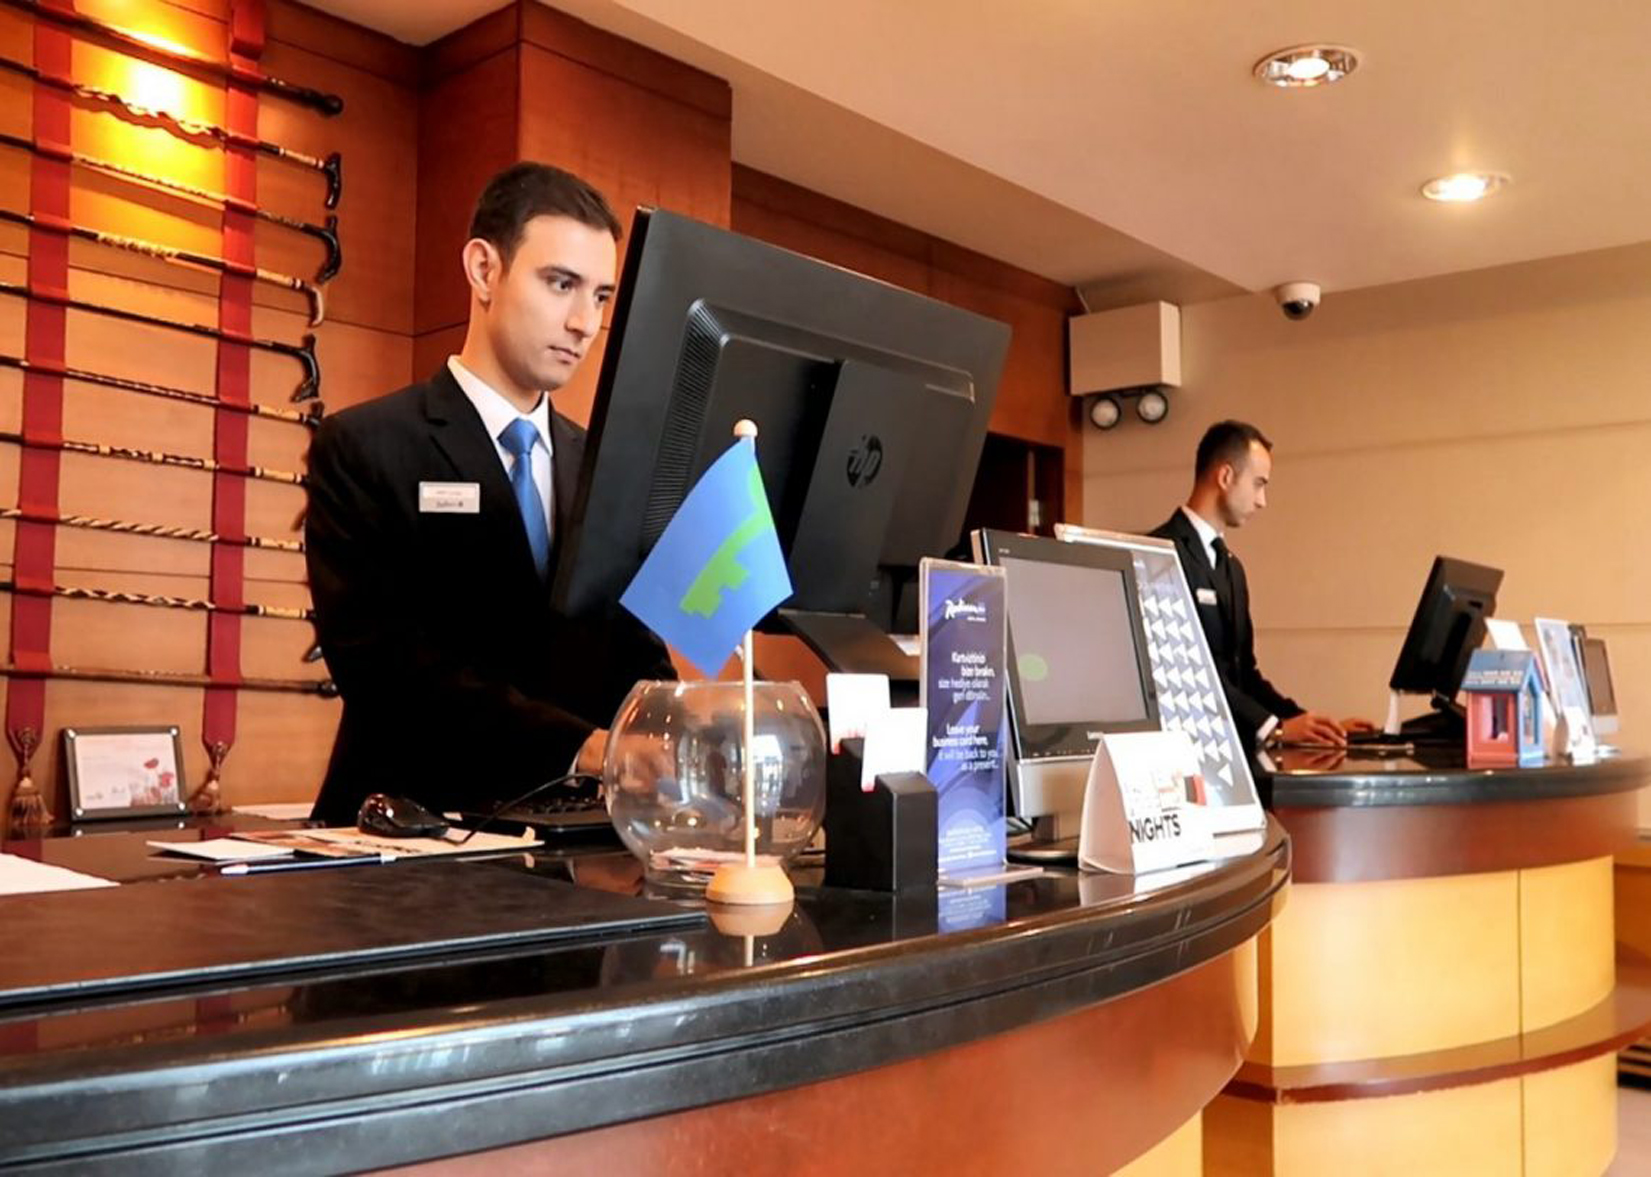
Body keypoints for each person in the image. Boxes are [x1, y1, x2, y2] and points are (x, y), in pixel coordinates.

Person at [305, 162, 675, 824]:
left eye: (600, 296)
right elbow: (384, 668)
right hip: (408, 834)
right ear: (483, 270)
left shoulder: (605, 465)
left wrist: (688, 724)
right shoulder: (366, 445)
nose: (584, 322)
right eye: (561, 284)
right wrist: (584, 747)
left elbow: (634, 649)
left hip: (573, 840)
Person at [1151, 420, 1368, 749]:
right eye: (1258, 484)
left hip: (1238, 751)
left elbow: (1245, 674)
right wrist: (1272, 728)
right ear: (1226, 477)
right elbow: (1185, 673)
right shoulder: (1159, 555)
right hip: (1189, 753)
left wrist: (1311, 725)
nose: (1262, 500)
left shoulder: (1232, 567)